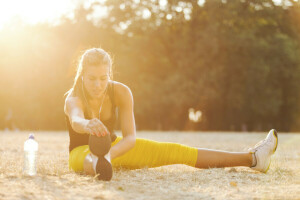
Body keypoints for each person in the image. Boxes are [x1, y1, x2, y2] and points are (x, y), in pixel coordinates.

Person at [64, 48, 278, 181]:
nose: (98, 84)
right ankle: (98, 167)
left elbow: (130, 138)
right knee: (90, 160)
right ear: (82, 75)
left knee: (177, 151)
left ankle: (253, 158)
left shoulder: (121, 91)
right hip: (81, 152)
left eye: (103, 78)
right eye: (91, 78)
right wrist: (87, 125)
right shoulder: (73, 97)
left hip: (115, 147)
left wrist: (110, 155)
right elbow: (75, 119)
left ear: (110, 74)